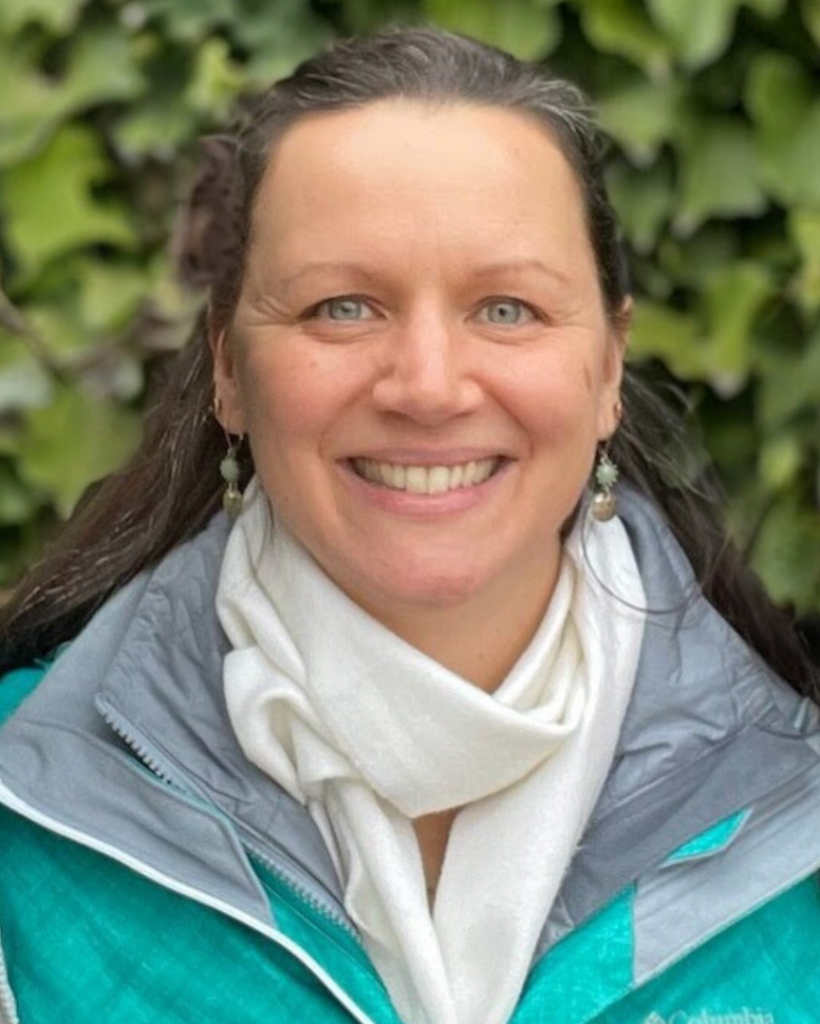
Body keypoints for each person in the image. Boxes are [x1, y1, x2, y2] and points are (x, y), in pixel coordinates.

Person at [0, 25, 818, 1024]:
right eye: (342, 307)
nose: (427, 387)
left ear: (607, 366)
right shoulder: (22, 823)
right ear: (227, 369)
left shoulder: (797, 835)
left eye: (507, 308)